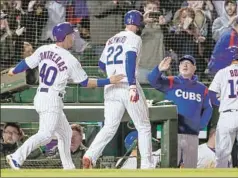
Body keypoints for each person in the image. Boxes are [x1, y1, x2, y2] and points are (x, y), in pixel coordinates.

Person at [6, 22, 124, 170]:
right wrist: (109, 80)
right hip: (52, 99)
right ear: (65, 36)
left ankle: (69, 168)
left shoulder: (44, 49)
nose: (73, 38)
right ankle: (16, 157)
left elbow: (26, 63)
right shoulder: (70, 59)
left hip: (42, 96)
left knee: (66, 133)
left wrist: (14, 70)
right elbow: (86, 83)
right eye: (71, 35)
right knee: (46, 135)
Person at [83, 10, 154, 169]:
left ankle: (90, 155)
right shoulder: (134, 38)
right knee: (143, 126)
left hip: (110, 86)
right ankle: (147, 165)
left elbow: (101, 65)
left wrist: (112, 70)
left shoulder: (111, 39)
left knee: (109, 127)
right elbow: (130, 58)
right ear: (138, 23)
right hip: (127, 83)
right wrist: (132, 86)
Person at [148, 55, 213, 168]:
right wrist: (159, 69)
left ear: (194, 68)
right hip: (172, 134)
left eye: (188, 63)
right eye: (182, 63)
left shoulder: (202, 88)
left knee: (190, 168)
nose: (185, 65)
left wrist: (201, 125)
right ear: (179, 67)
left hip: (192, 135)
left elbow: (208, 108)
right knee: (170, 168)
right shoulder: (172, 81)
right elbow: (152, 80)